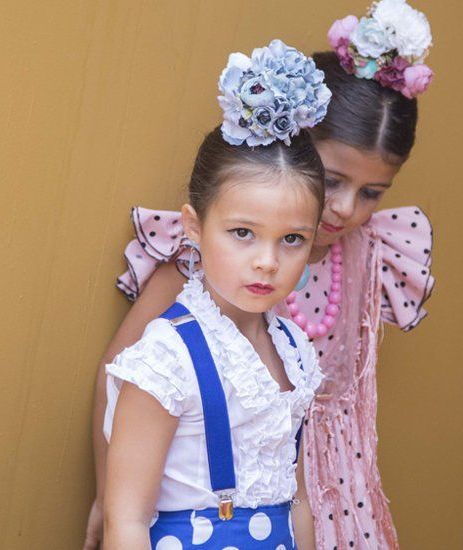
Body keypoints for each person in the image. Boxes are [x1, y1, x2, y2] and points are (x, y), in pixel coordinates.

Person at [88, 2, 437, 548]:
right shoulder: (179, 331)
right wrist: (115, 499)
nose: (268, 261)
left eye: (292, 239)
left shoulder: (297, 337)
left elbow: (298, 485)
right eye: (333, 180)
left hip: (327, 492)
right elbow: (123, 386)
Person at [102, 40, 330, 549]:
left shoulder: (295, 351)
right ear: (194, 227)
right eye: (243, 233)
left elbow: (298, 502)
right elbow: (128, 521)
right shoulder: (166, 358)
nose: (267, 261)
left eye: (292, 239)